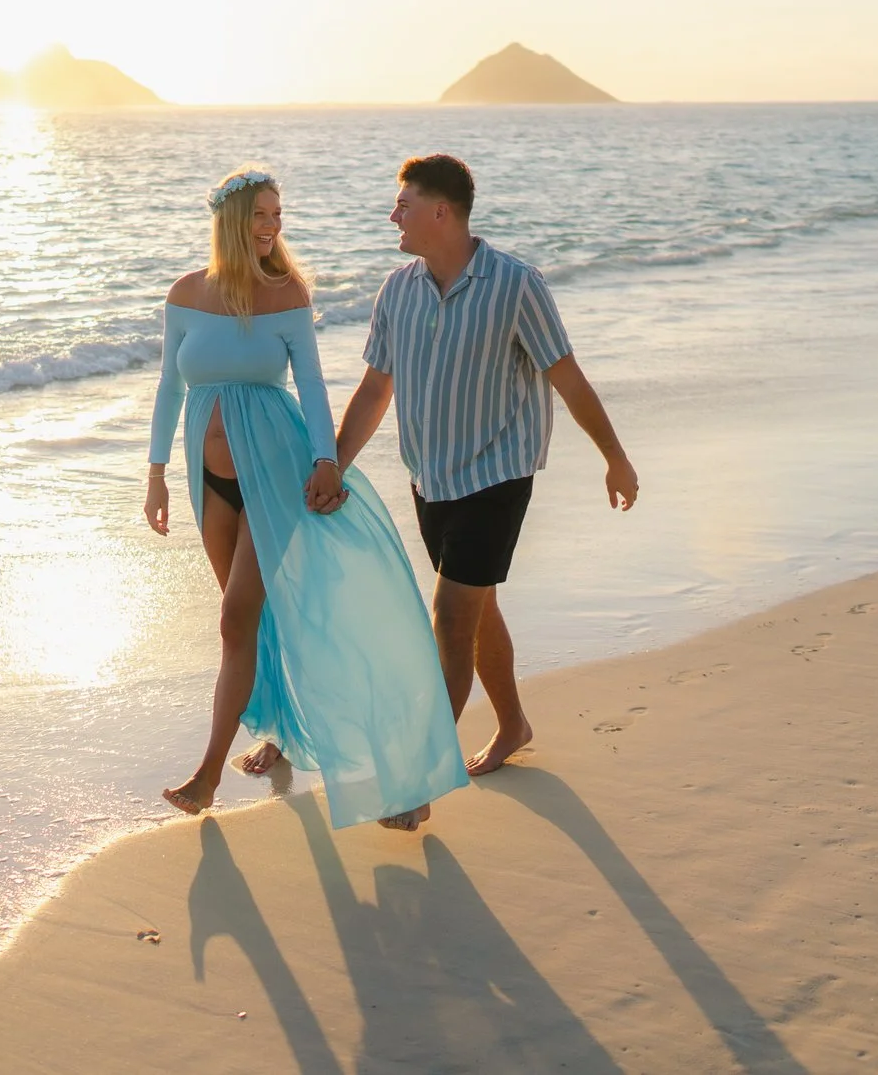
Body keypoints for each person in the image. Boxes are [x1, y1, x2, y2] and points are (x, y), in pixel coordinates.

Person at [144, 166, 469, 831]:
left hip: (277, 472)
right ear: (232, 221)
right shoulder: (185, 294)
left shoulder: (285, 292)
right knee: (256, 624)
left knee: (237, 619)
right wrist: (154, 474)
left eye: (277, 216)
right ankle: (282, 734)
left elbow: (314, 386)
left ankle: (209, 775)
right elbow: (169, 391)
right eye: (261, 215)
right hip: (207, 481)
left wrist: (327, 460)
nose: (271, 227)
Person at [326, 153, 639, 776]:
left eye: (404, 205)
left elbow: (568, 379)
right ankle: (513, 724)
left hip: (498, 476)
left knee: (448, 617)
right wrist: (333, 465)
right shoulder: (397, 290)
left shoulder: (517, 284)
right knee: (476, 611)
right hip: (430, 479)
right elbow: (373, 390)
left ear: (441, 212)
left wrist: (615, 457)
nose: (394, 216)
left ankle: (419, 775)